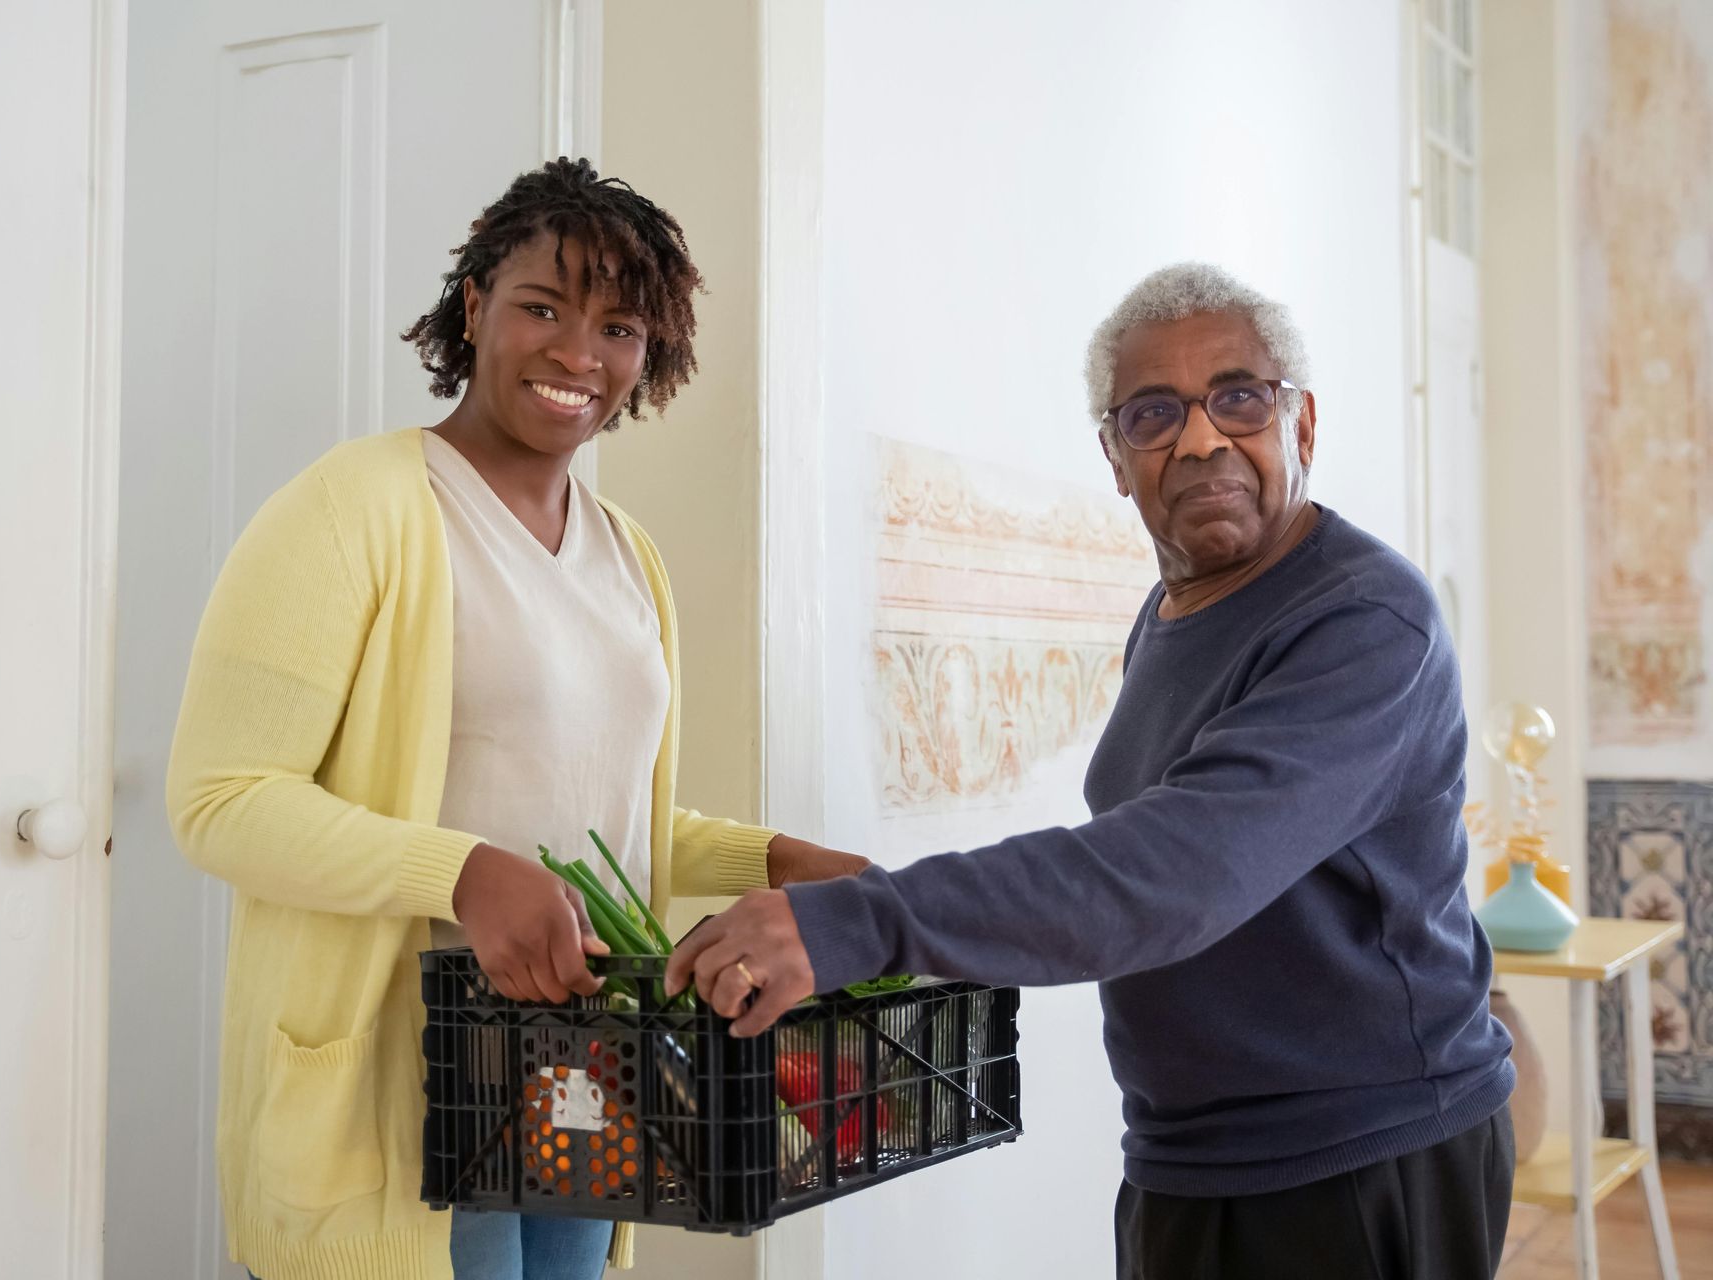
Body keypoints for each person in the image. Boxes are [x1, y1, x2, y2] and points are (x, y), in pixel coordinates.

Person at [668, 263, 1517, 1278]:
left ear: (1304, 423)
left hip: (1363, 1155)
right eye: (1154, 414)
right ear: (1117, 458)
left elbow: (1176, 868)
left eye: (1239, 396)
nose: (1201, 438)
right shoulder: (1168, 618)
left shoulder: (1365, 621)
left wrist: (865, 918)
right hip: (1189, 1157)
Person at [166, 157, 865, 1280]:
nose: (578, 355)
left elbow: (587, 802)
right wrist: (464, 875)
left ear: (653, 355)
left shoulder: (625, 550)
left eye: (620, 327)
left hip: (578, 1069)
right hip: (395, 1091)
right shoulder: (355, 510)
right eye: (543, 306)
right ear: (476, 304)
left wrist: (772, 856)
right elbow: (220, 801)